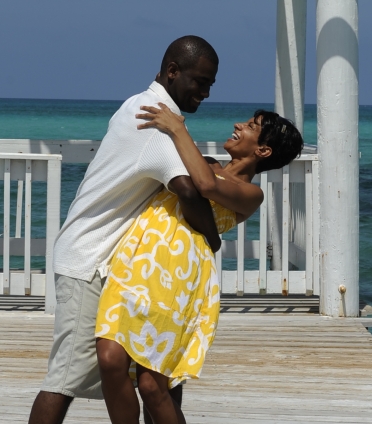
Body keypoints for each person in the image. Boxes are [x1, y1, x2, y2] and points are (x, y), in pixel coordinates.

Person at [28, 36, 223, 424]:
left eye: (210, 85)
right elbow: (189, 187)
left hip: (112, 263)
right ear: (172, 72)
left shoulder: (140, 104)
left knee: (150, 368)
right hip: (89, 260)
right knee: (64, 380)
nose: (205, 92)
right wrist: (214, 237)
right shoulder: (155, 121)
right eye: (199, 81)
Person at [95, 104, 304, 424]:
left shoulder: (250, 194)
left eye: (250, 126)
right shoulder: (205, 163)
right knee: (110, 362)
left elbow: (206, 186)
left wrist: (179, 129)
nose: (238, 124)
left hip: (177, 281)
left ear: (263, 149)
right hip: (134, 263)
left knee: (153, 385)